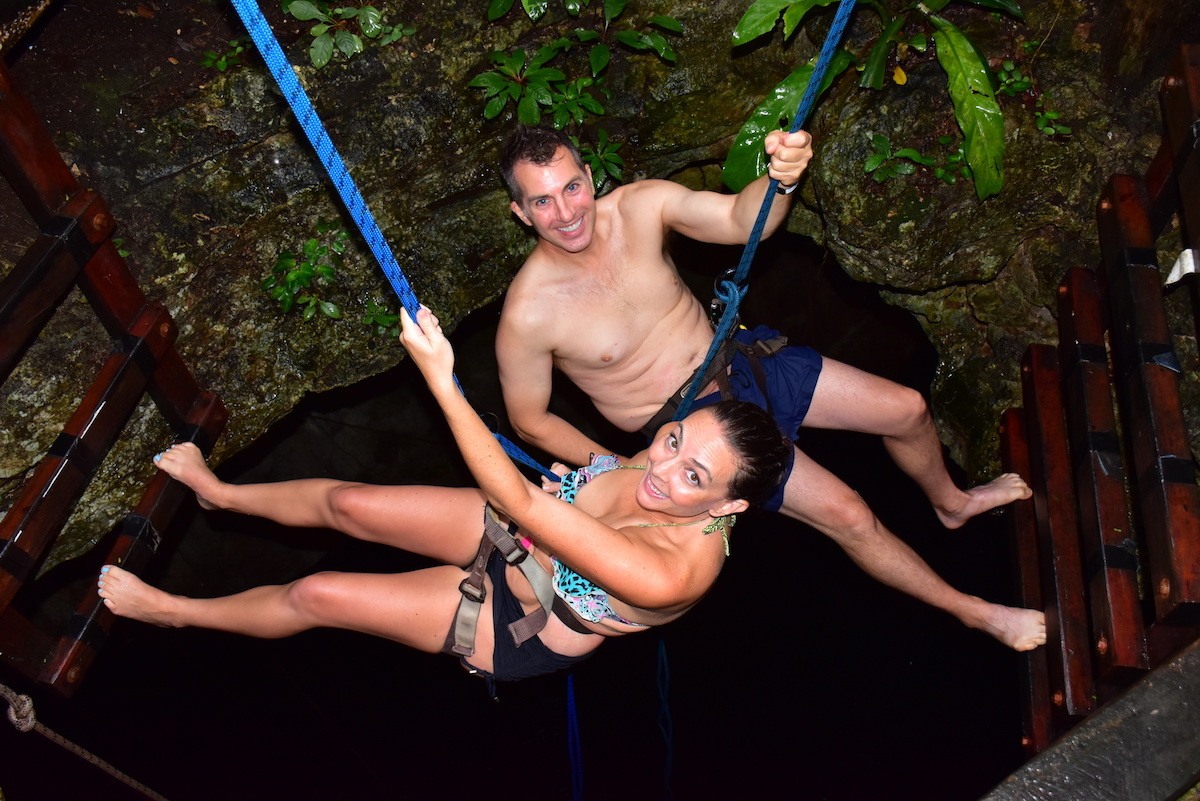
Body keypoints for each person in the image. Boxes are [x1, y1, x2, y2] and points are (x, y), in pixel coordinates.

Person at [494, 125, 1047, 652]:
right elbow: (528, 419)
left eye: (571, 187)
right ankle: (976, 612)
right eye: (543, 201)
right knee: (849, 513)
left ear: (589, 176)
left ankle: (953, 503)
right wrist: (615, 465)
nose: (567, 212)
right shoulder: (530, 313)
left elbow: (741, 218)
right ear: (520, 213)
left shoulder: (639, 206)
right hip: (695, 427)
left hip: (743, 360)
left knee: (908, 409)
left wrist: (780, 178)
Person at [97, 306, 792, 684]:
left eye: (694, 478)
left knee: (321, 595)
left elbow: (521, 507)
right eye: (673, 441)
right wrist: (591, 474)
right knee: (351, 504)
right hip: (529, 539)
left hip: (514, 620)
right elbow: (608, 469)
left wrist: (442, 380)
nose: (665, 468)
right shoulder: (673, 453)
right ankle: (222, 495)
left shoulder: (671, 572)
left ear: (727, 507)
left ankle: (174, 611)